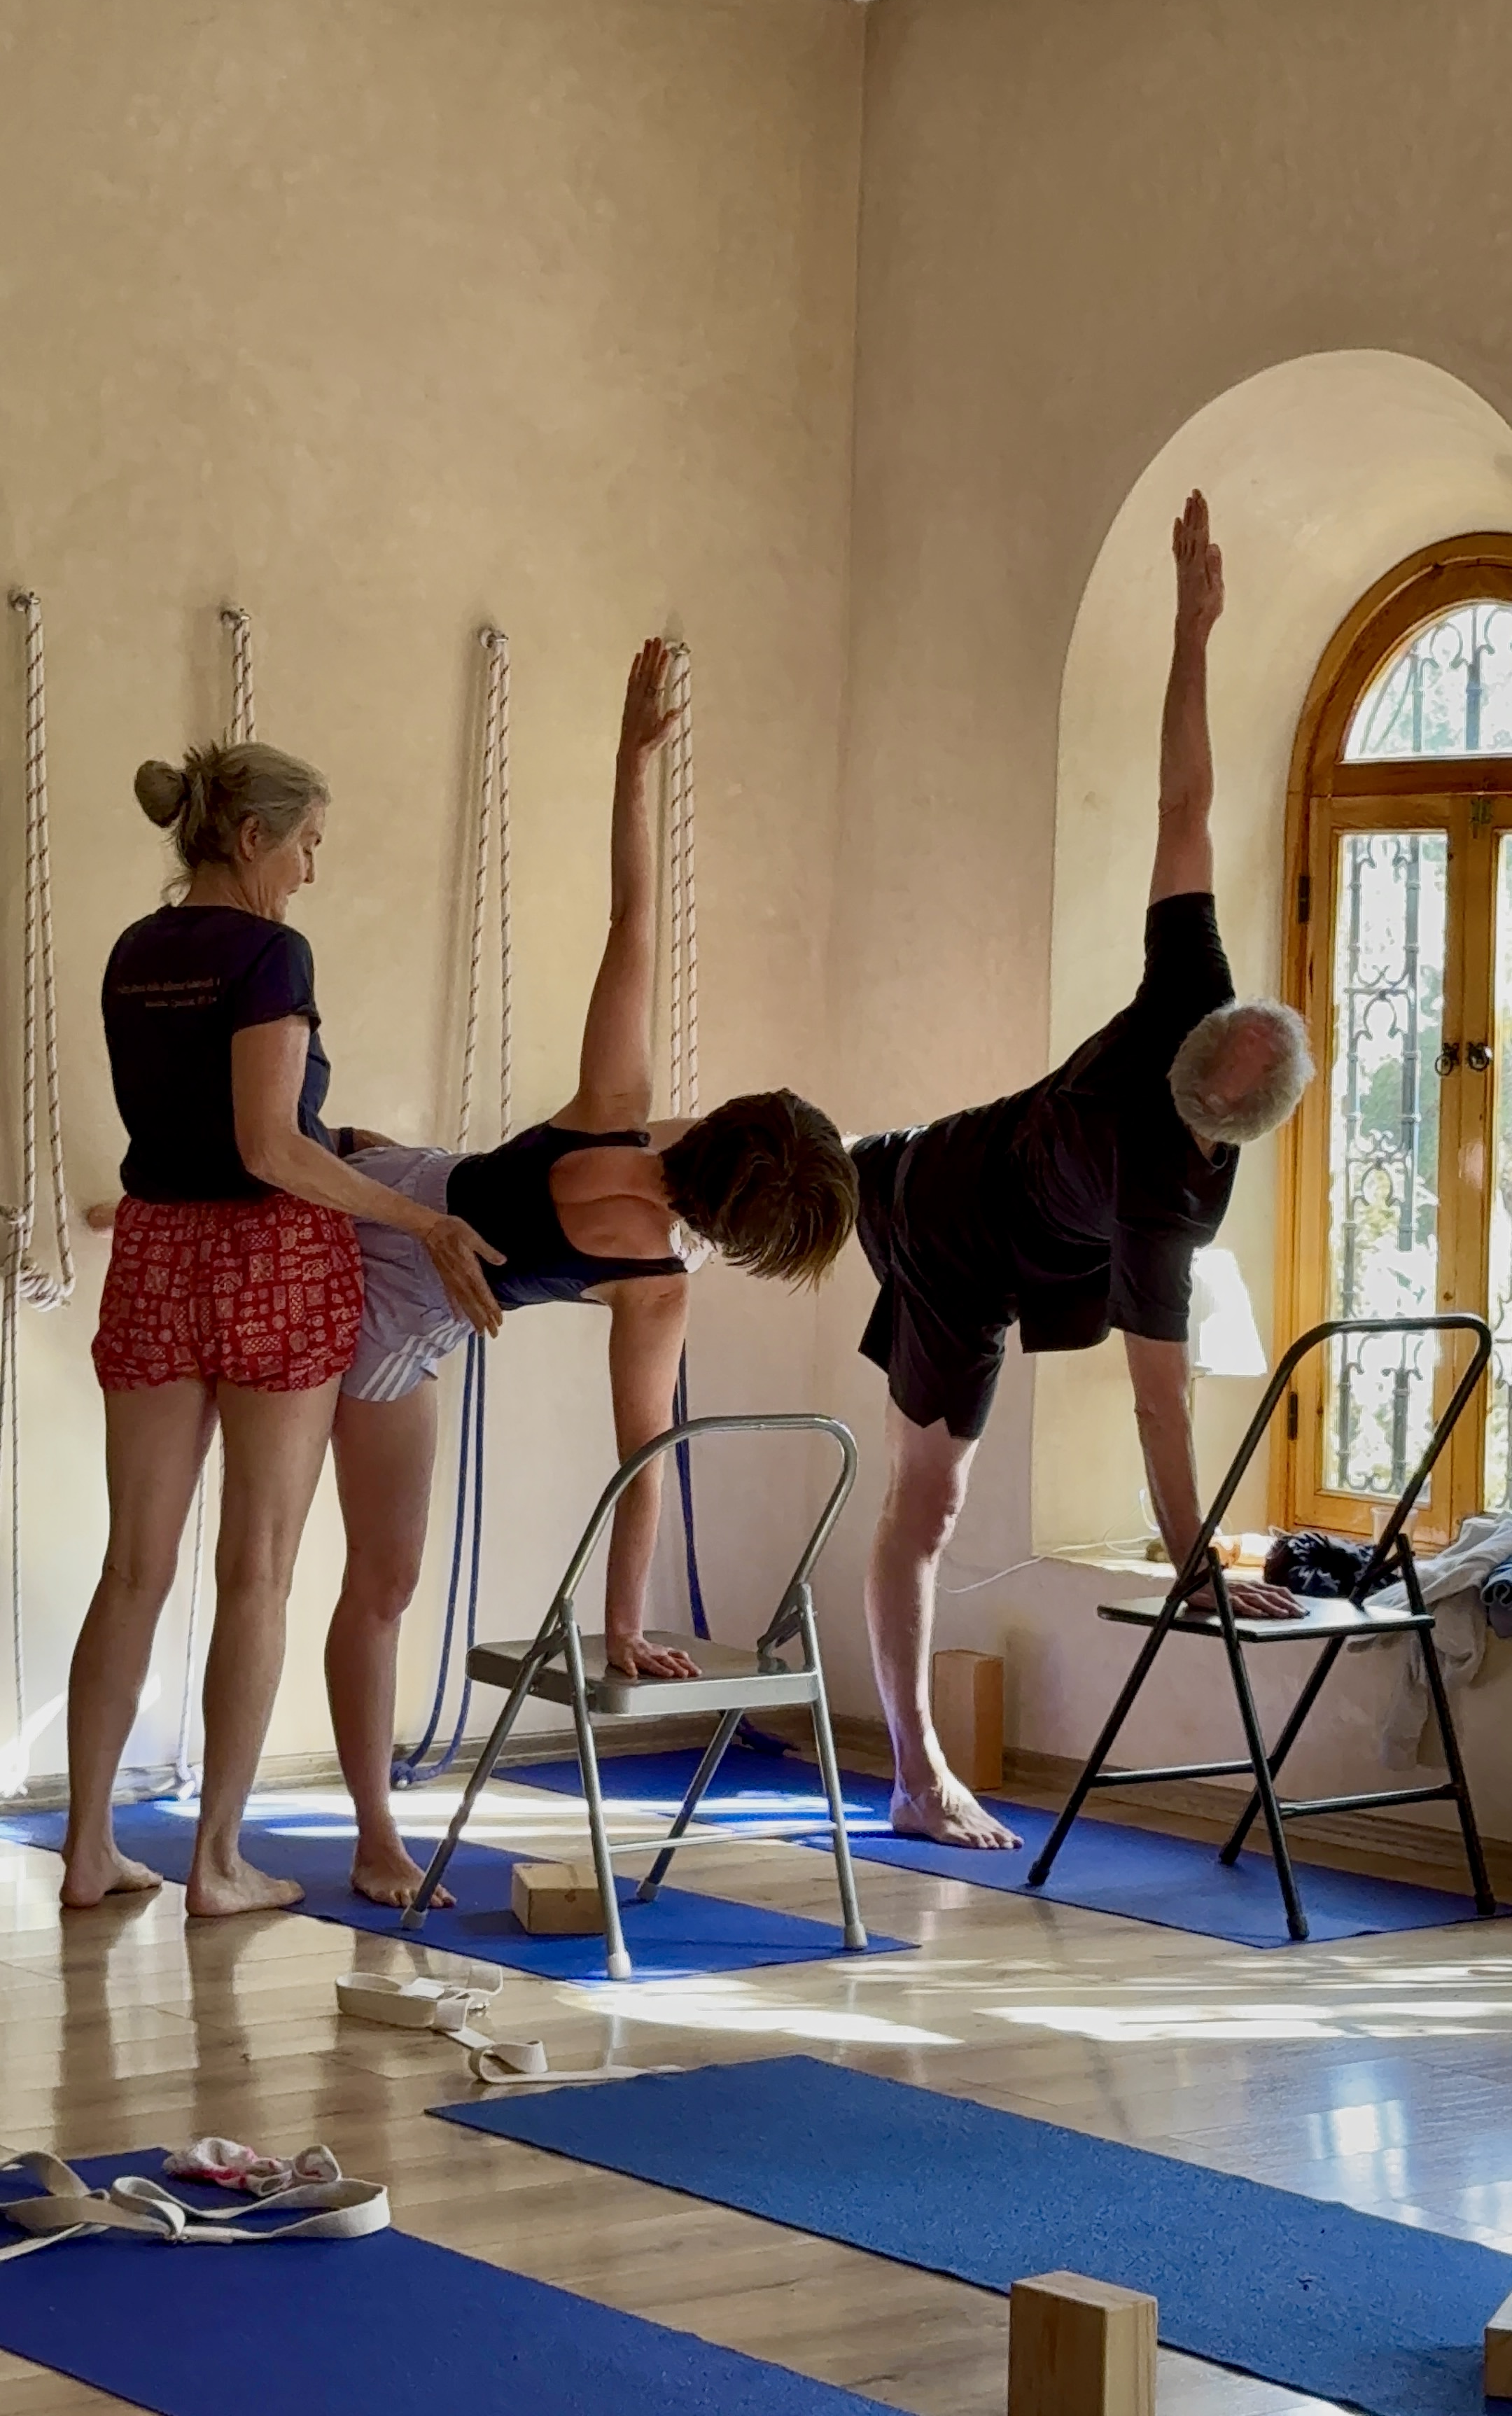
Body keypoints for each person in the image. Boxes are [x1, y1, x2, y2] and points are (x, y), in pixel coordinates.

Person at [326, 638, 859, 1906]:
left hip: (398, 1218)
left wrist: (632, 763)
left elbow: (632, 916)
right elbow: (645, 1466)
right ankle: (375, 1838)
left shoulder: (619, 1111)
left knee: (379, 1573)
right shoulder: (654, 1282)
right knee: (381, 1582)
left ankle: (372, 1830)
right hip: (389, 1292)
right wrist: (625, 1626)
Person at [852, 493, 1315, 1852]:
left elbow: (1186, 796)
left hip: (953, 1193)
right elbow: (1163, 1415)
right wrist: (1194, 1570)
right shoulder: (1166, 1160)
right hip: (942, 1224)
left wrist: (1194, 621)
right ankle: (914, 1776)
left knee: (915, 1497)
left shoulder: (1186, 1061)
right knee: (925, 1510)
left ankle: (910, 1769)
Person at [66, 741, 500, 1917]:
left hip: (156, 1253)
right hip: (267, 1257)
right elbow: (271, 1147)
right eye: (306, 841)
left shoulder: (135, 951)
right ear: (252, 837)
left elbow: (189, 1131)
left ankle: (90, 1848)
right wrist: (422, 1218)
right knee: (255, 1568)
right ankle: (215, 1864)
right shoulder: (269, 951)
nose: (310, 868)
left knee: (131, 1566)